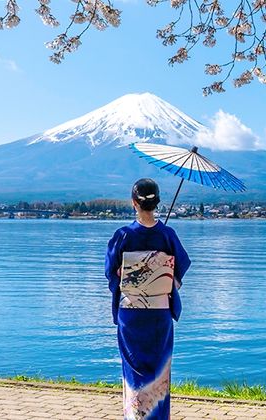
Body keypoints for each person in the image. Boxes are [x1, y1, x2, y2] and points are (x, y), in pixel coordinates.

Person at [105, 178, 191, 420]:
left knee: (133, 368)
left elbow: (111, 273)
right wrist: (161, 275)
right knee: (159, 370)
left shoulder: (123, 236)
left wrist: (130, 276)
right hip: (159, 312)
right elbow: (181, 267)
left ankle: (135, 416)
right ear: (157, 203)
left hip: (131, 313)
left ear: (134, 203)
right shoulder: (167, 234)